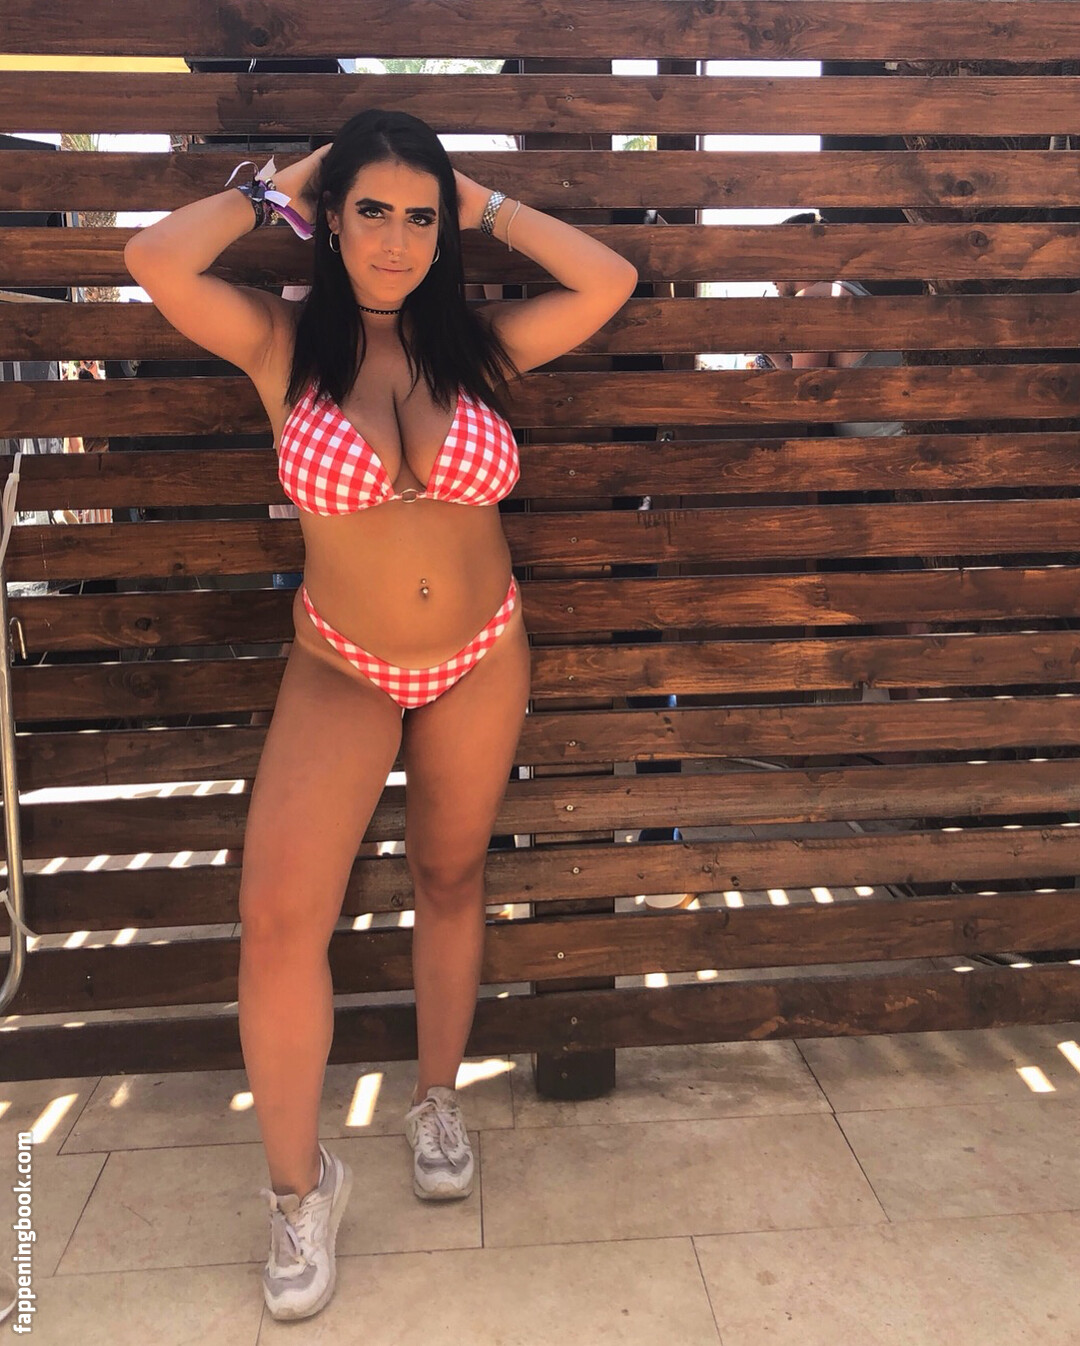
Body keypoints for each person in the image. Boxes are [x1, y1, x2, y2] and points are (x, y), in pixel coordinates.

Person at [124, 108, 636, 1321]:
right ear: (333, 219)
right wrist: (283, 183)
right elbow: (153, 259)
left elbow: (609, 279)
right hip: (341, 662)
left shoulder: (479, 347)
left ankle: (435, 1097)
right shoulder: (279, 340)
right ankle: (299, 1190)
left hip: (482, 650)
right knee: (274, 921)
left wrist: (484, 204)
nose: (397, 240)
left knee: (450, 875)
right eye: (372, 212)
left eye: (419, 217)